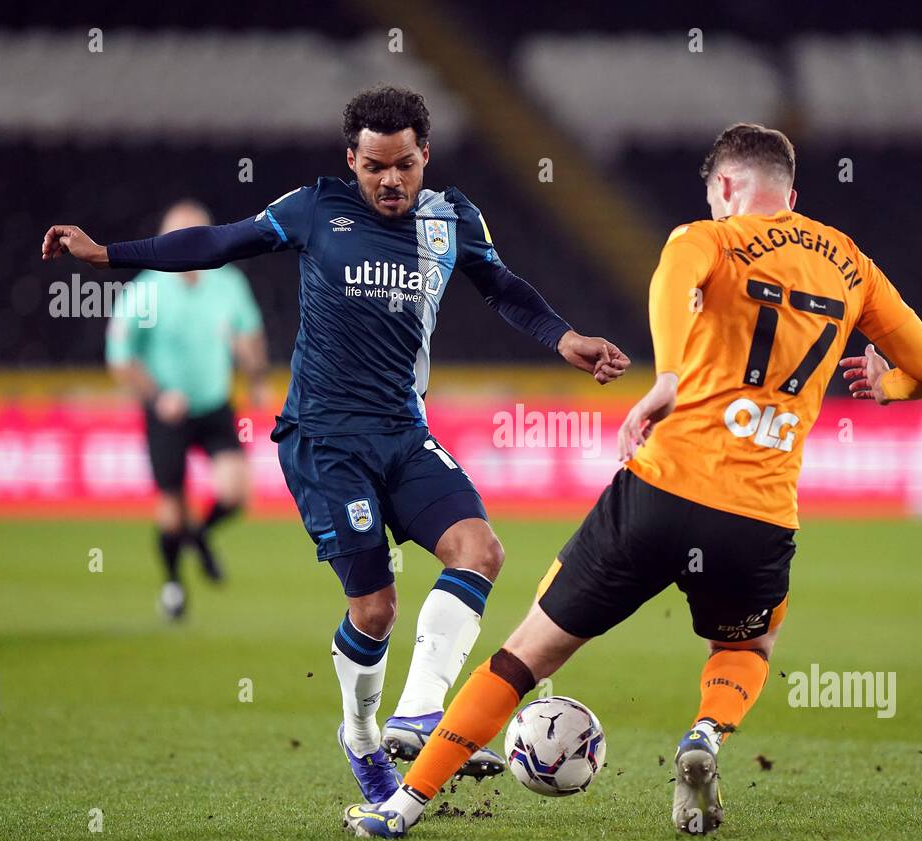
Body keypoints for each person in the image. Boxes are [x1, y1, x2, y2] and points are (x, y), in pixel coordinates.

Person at [344, 122, 922, 838]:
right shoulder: (851, 264)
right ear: (791, 191)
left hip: (660, 492)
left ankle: (402, 806)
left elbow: (672, 279)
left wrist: (666, 379)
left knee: (526, 653)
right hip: (758, 517)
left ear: (725, 186)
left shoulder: (709, 237)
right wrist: (890, 386)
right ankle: (705, 736)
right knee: (747, 647)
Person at [43, 86, 629, 803]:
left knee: (480, 550)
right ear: (350, 159)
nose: (390, 180)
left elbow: (500, 286)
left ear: (425, 157)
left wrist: (564, 337)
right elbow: (219, 240)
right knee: (375, 609)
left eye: (405, 165)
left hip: (405, 436)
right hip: (323, 441)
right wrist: (107, 254)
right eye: (375, 165)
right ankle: (360, 735)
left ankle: (416, 716)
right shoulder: (313, 208)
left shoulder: (452, 219)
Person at [105, 200, 269, 620]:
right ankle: (174, 584)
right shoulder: (145, 289)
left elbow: (249, 334)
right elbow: (121, 358)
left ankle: (200, 535)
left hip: (214, 403)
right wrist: (157, 395)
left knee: (235, 493)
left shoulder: (227, 282)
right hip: (167, 412)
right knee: (171, 510)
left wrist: (254, 376)